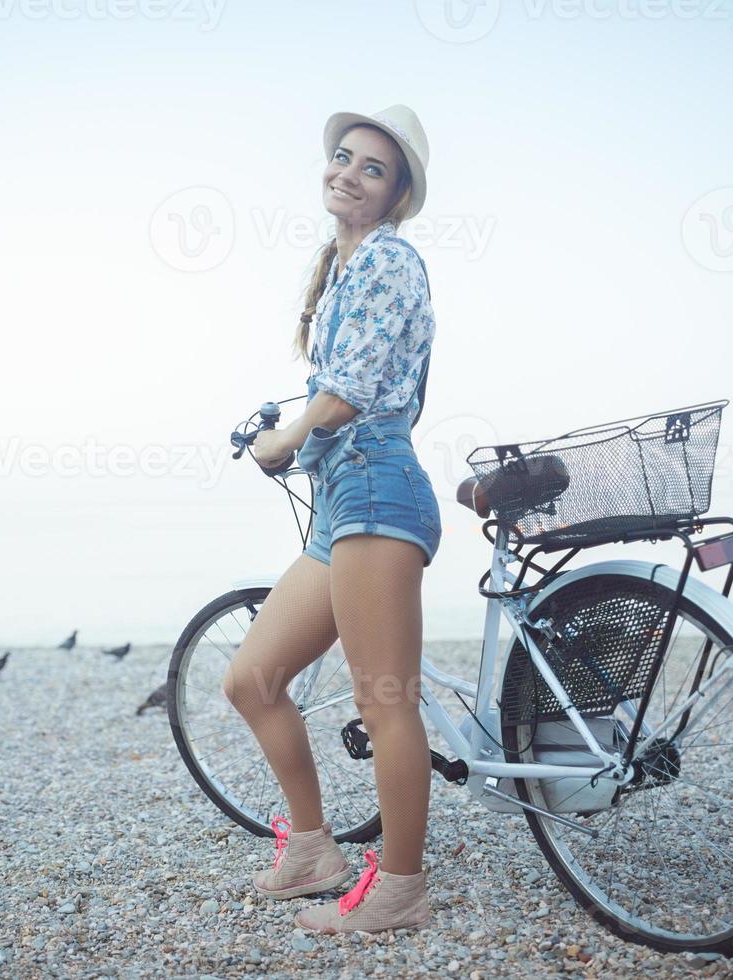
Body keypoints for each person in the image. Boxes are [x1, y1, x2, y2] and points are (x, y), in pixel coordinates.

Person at [221, 104, 441, 935]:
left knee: (384, 699)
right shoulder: (346, 265)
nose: (347, 172)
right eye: (343, 158)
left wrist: (284, 436)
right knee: (252, 678)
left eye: (372, 168)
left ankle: (402, 891)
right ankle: (313, 850)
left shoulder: (389, 260)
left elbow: (347, 391)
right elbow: (336, 381)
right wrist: (296, 435)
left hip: (379, 489)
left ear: (395, 194)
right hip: (344, 500)